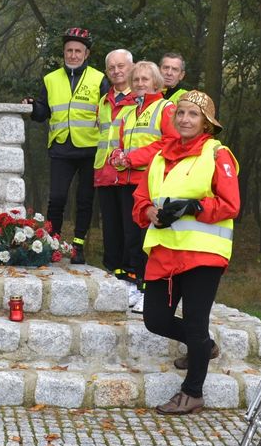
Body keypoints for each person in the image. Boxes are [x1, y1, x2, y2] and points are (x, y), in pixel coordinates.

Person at [132, 90, 240, 415]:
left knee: (195, 324)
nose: (185, 119)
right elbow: (141, 197)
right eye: (181, 113)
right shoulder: (160, 156)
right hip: (165, 252)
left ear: (206, 122)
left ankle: (192, 393)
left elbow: (231, 204)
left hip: (203, 255)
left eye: (193, 114)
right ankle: (203, 347)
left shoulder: (217, 153)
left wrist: (195, 206)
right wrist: (148, 211)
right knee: (155, 319)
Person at [23, 27, 110, 264]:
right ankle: (52, 243)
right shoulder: (50, 79)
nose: (73, 55)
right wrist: (32, 105)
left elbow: (109, 110)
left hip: (90, 148)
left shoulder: (99, 78)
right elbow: (43, 112)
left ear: (86, 53)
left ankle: (78, 246)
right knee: (58, 198)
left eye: (78, 51)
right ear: (64, 52)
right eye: (69, 50)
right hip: (61, 146)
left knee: (84, 200)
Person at [108, 61, 178, 313]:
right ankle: (133, 284)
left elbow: (170, 143)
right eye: (135, 79)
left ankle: (149, 290)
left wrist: (133, 159)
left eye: (145, 79)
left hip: (151, 183)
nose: (139, 83)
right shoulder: (128, 111)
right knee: (130, 236)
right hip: (127, 180)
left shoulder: (165, 108)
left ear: (156, 83)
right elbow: (120, 143)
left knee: (146, 237)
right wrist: (117, 156)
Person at [93, 49, 139, 286]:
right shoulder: (103, 100)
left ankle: (131, 279)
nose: (116, 71)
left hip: (128, 174)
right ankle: (111, 275)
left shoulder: (140, 99)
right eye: (111, 68)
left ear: (132, 67)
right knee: (110, 230)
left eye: (121, 66)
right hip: (104, 173)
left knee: (130, 230)